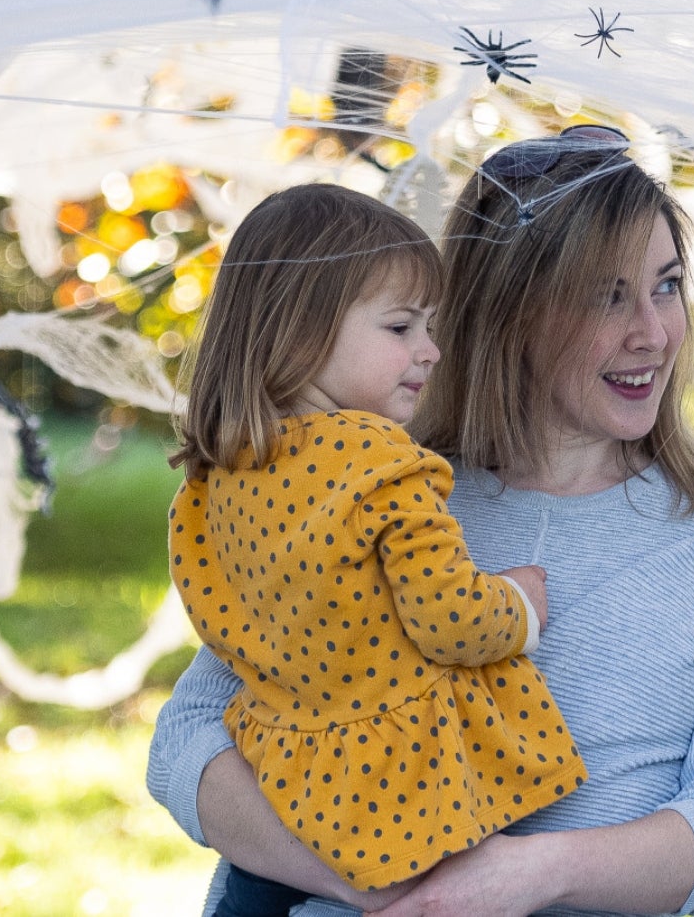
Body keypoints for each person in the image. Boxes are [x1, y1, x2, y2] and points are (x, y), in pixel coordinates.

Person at [149, 125, 694, 917]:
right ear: (509, 310)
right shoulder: (369, 489)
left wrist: (530, 876)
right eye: (607, 294)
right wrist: (373, 880)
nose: (654, 331)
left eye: (666, 285)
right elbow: (189, 736)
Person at [168, 184, 587, 917]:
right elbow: (449, 619)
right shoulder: (382, 463)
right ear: (296, 334)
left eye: (432, 326)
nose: (431, 350)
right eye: (401, 327)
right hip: (397, 794)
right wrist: (519, 603)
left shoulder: (212, 482)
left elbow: (226, 629)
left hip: (279, 779)